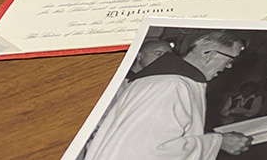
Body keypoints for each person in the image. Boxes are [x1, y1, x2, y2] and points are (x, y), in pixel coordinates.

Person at [85, 31, 251, 159]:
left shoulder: (163, 80)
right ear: (210, 54)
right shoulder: (172, 85)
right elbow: (151, 151)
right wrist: (218, 141)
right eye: (230, 60)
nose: (228, 67)